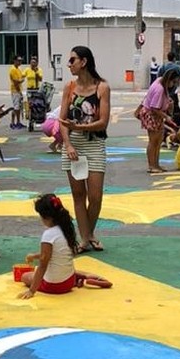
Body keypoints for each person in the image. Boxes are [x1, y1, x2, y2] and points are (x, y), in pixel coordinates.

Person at [59, 45, 111, 253]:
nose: (69, 64)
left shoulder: (102, 87)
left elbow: (103, 122)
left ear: (84, 62)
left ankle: (88, 234)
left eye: (72, 60)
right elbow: (62, 121)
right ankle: (85, 238)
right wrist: (68, 143)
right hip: (74, 144)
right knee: (78, 195)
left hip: (94, 143)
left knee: (95, 196)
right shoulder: (69, 88)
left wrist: (79, 126)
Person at [15, 193, 112, 298]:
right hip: (69, 282)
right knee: (58, 266)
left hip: (54, 285)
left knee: (25, 276)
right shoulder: (66, 229)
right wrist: (34, 256)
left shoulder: (49, 235)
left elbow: (43, 264)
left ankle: (81, 277)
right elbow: (56, 253)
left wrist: (31, 290)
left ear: (46, 217)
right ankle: (85, 276)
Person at [140, 68, 180, 174]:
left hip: (156, 115)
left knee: (158, 141)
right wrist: (166, 117)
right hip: (151, 115)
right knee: (153, 141)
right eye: (174, 81)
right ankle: (151, 165)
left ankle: (156, 164)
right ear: (169, 80)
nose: (174, 84)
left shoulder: (160, 81)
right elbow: (154, 107)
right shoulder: (160, 89)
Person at [8, 56, 25, 129]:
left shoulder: (18, 69)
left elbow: (21, 78)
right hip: (15, 90)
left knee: (19, 107)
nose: (20, 62)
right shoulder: (13, 70)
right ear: (14, 61)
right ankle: (12, 122)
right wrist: (20, 81)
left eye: (21, 61)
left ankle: (18, 122)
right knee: (16, 107)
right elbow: (16, 82)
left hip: (19, 90)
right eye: (18, 60)